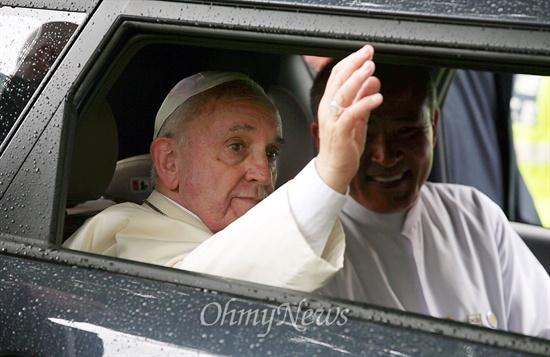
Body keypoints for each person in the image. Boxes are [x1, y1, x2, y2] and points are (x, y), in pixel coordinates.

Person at [64, 45, 383, 293]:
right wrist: (329, 173)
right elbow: (198, 292)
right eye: (236, 147)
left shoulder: (254, 231)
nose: (263, 173)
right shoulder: (119, 234)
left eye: (271, 153)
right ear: (169, 162)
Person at [309, 60, 550, 338]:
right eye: (365, 134)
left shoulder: (475, 216)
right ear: (323, 139)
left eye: (405, 131)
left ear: (433, 127)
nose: (385, 155)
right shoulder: (309, 250)